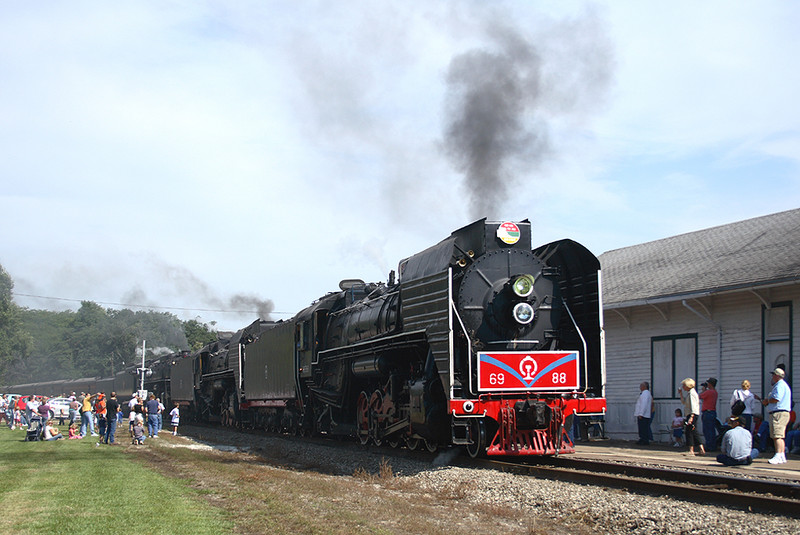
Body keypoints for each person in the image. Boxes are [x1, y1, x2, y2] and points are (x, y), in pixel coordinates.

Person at [762, 367, 792, 464]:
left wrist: (767, 401)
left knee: (777, 435)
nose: (772, 376)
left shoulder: (779, 385)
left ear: (777, 376)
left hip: (778, 413)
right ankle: (782, 455)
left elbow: (777, 398)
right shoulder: (783, 385)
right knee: (780, 435)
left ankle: (778, 455)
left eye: (773, 374)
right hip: (782, 412)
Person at [679, 378, 705, 456]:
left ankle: (691, 450)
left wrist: (691, 417)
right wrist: (680, 394)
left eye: (684, 385)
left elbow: (694, 406)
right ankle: (701, 448)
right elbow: (684, 402)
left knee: (689, 432)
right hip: (691, 414)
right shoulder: (689, 393)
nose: (683, 387)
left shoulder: (692, 394)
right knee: (694, 431)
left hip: (692, 414)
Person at [699, 378, 718, 451]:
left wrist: (704, 390)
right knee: (711, 430)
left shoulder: (709, 392)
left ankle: (709, 446)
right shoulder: (715, 392)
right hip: (712, 412)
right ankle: (712, 445)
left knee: (707, 430)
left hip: (707, 412)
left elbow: (699, 396)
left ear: (710, 384)